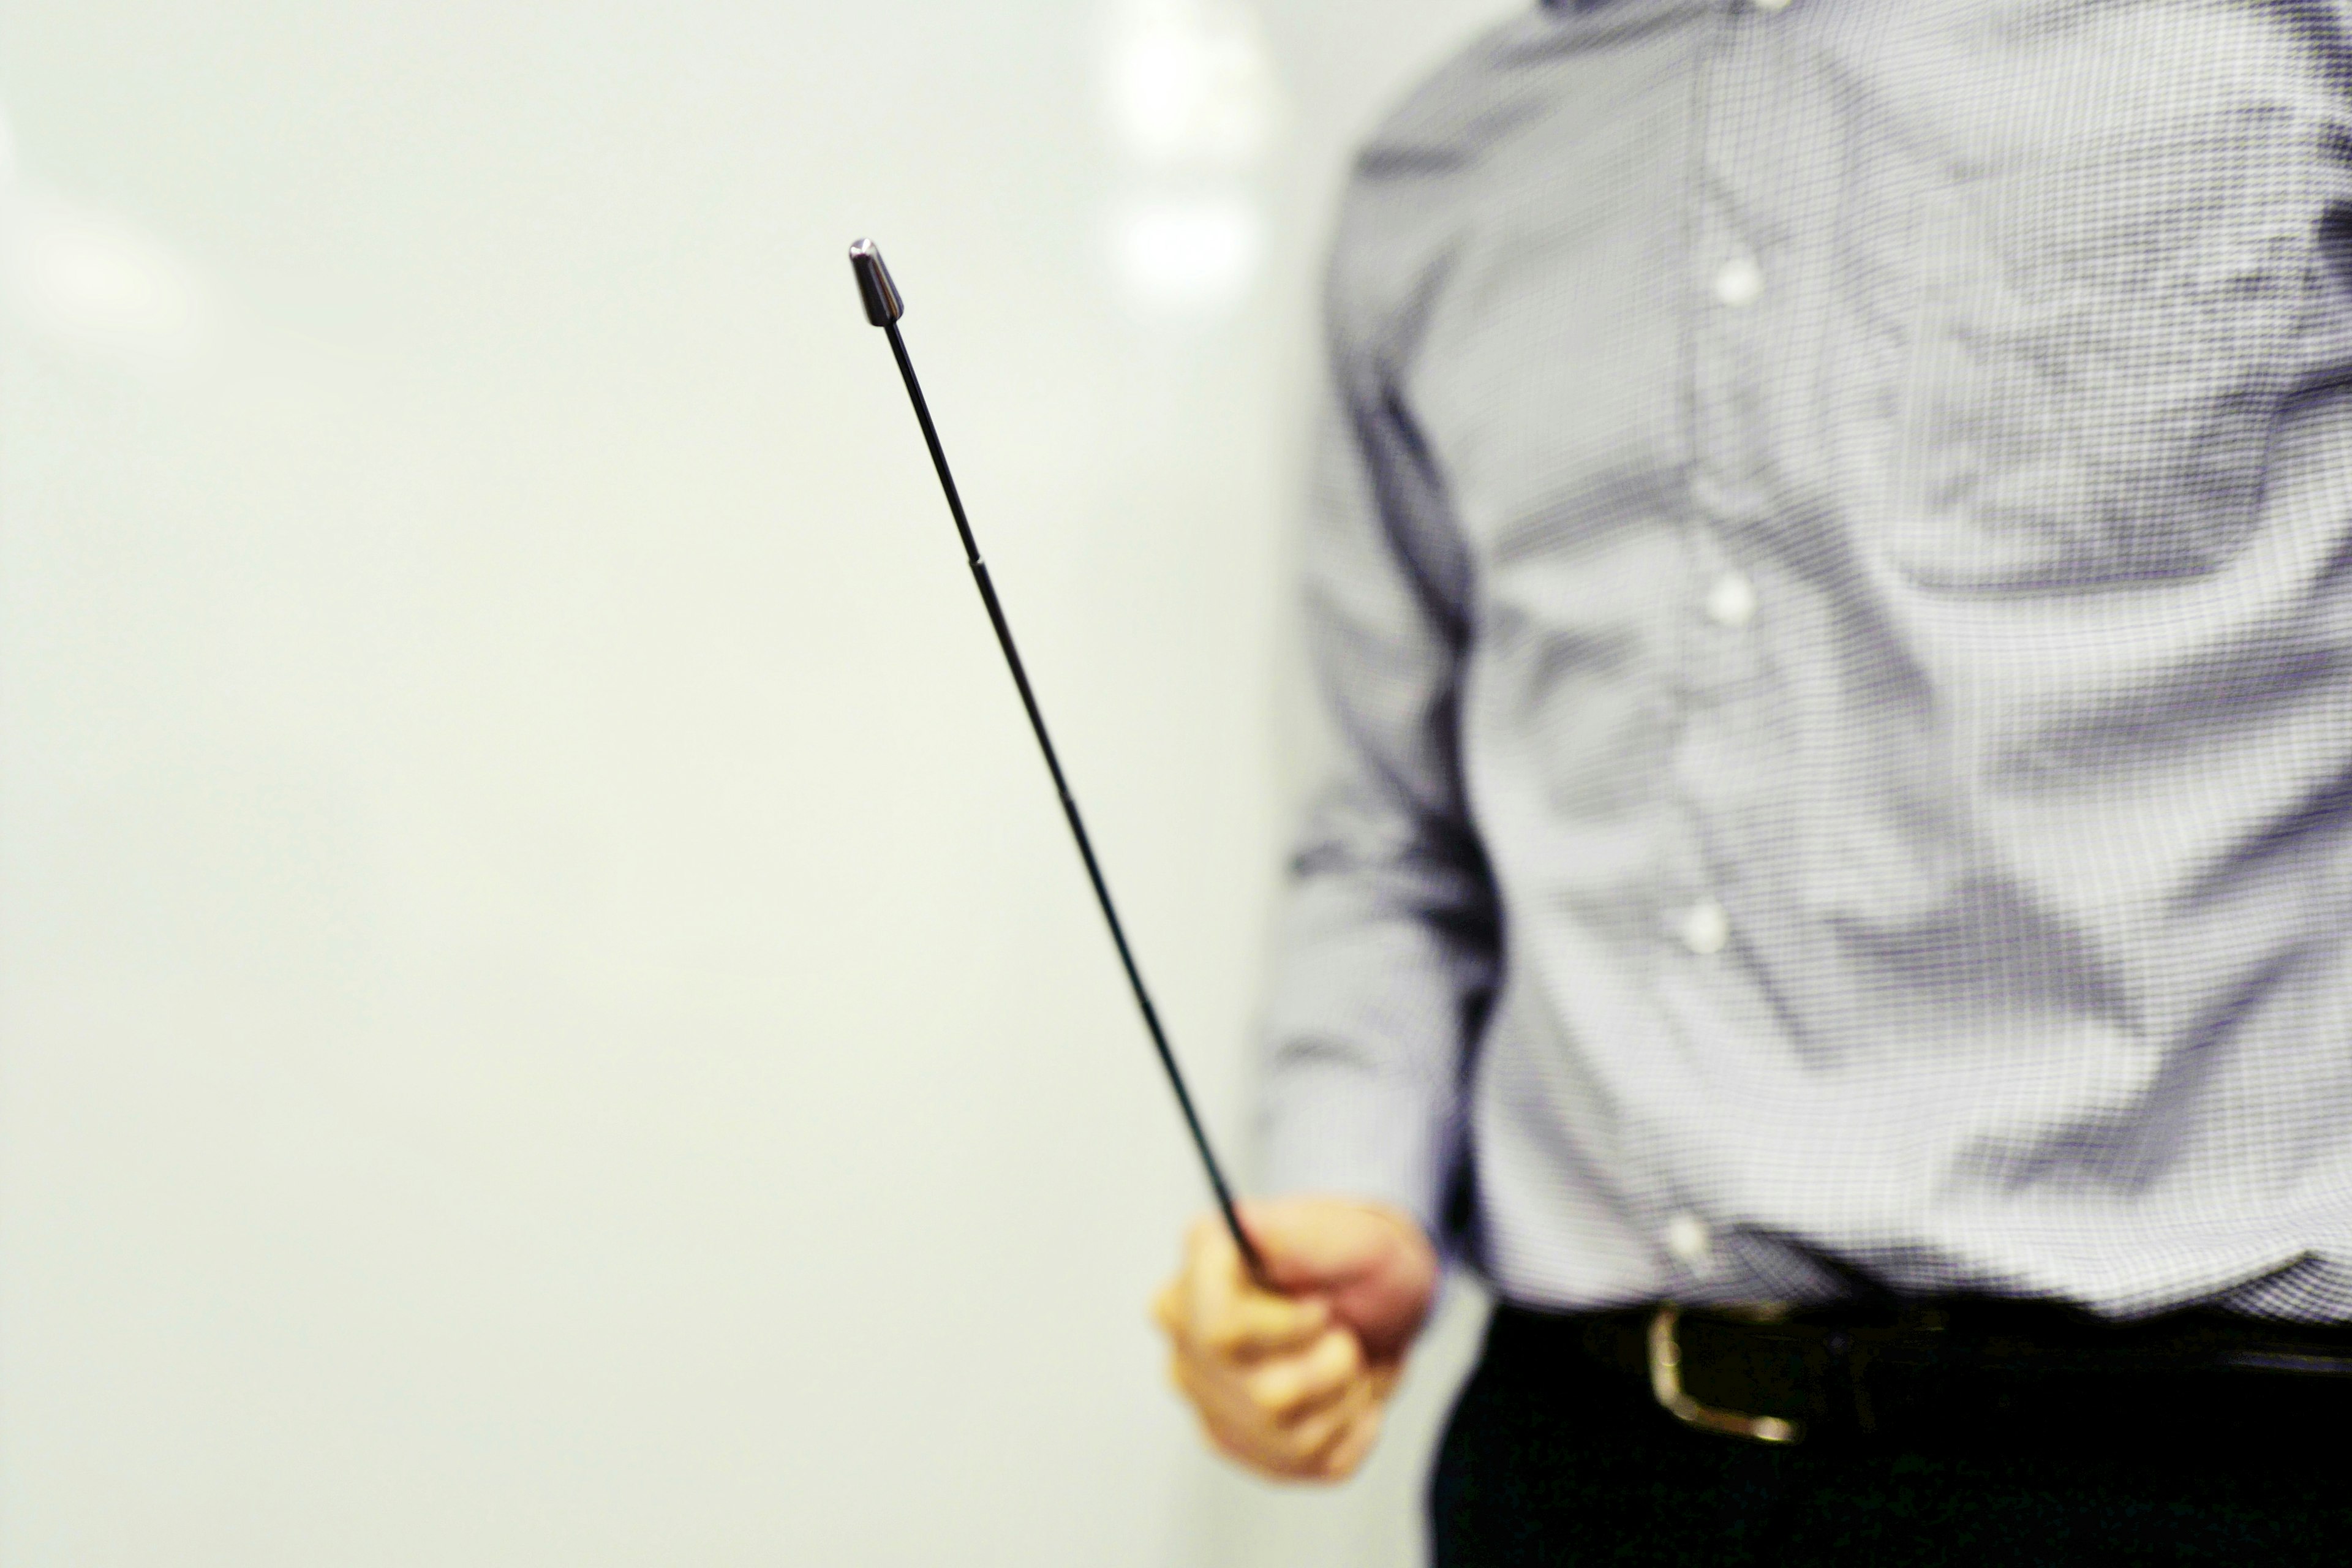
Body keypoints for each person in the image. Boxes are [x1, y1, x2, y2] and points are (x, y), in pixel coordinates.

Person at [1150, 0, 2352, 1560]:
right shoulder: (1444, 170)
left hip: (2188, 1473)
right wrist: (1347, 1194)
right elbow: (1394, 841)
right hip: (1580, 1468)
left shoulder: (2286, 47)